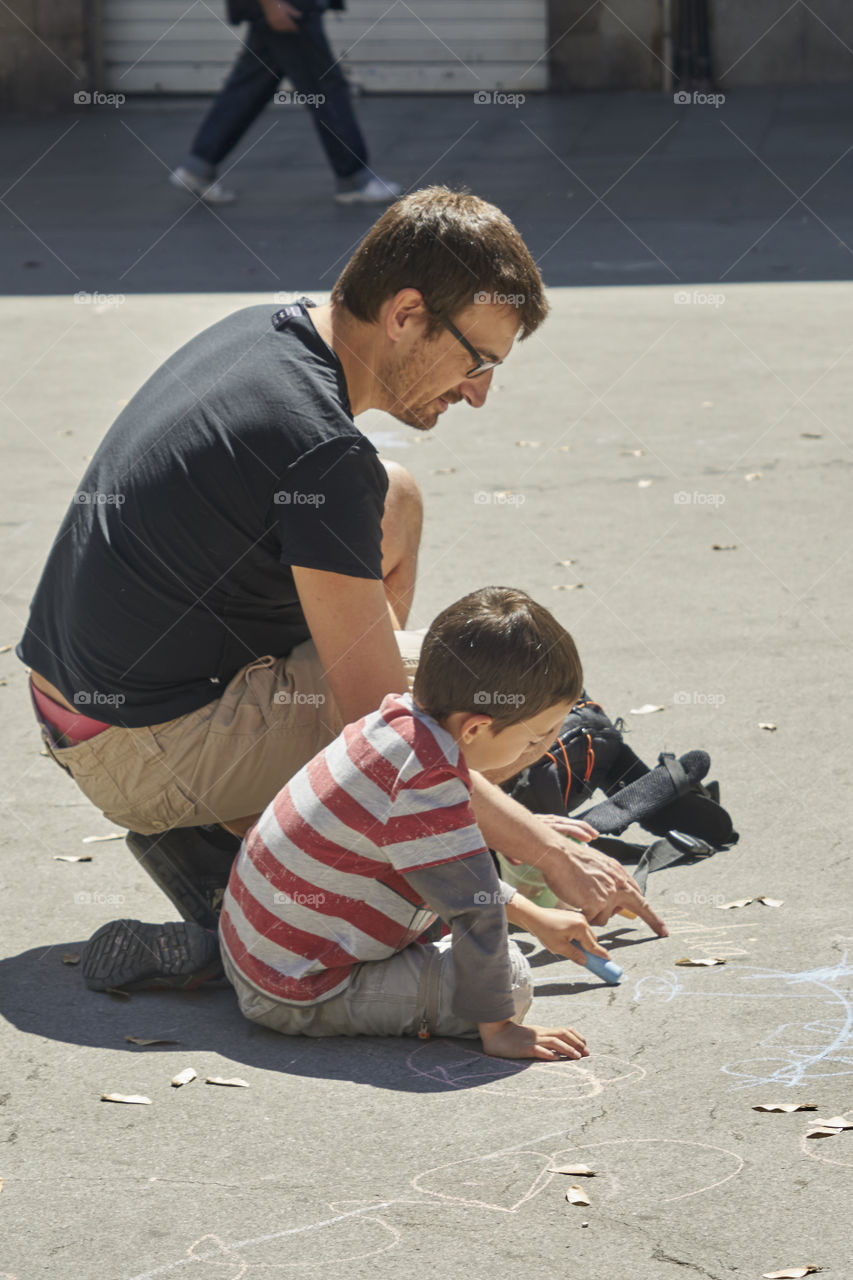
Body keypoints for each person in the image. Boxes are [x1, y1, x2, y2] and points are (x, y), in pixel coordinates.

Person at [18, 186, 666, 992]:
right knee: (464, 716)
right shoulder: (318, 455)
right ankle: (257, 889)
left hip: (86, 705)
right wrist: (541, 845)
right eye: (478, 359)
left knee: (395, 496)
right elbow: (387, 736)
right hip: (141, 748)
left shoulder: (268, 331)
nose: (478, 392)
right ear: (404, 314)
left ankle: (270, 820)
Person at [218, 587, 610, 1057]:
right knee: (512, 977)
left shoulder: (394, 722)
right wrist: (500, 1029)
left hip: (252, 945)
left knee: (465, 939)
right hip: (298, 991)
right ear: (477, 728)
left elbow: (454, 874)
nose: (543, 748)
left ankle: (204, 957)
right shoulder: (427, 784)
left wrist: (535, 916)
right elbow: (474, 911)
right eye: (539, 735)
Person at [170, 0, 399, 205]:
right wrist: (271, 5)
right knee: (324, 87)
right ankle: (353, 177)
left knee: (253, 83)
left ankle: (199, 165)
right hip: (290, 8)